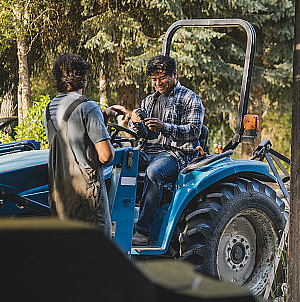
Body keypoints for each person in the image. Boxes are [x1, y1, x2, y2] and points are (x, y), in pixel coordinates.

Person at [44, 53, 128, 235]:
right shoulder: (88, 107)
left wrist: (104, 115)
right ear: (82, 78)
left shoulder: (49, 108)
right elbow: (106, 156)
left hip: (59, 190)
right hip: (86, 192)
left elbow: (71, 134)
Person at [129, 54, 204, 246]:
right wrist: (136, 123)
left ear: (174, 74)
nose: (157, 83)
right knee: (118, 163)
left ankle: (143, 230)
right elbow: (142, 134)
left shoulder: (189, 98)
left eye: (162, 78)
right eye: (154, 79)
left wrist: (165, 127)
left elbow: (194, 131)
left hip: (177, 153)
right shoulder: (148, 101)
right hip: (148, 150)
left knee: (154, 172)